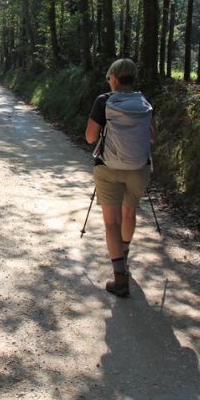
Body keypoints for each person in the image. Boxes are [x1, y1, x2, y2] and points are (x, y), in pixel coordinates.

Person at [84, 58, 155, 298]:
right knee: (129, 213)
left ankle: (120, 277)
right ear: (133, 78)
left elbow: (90, 138)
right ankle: (124, 255)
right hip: (139, 168)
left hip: (108, 168)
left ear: (113, 78)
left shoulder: (104, 101)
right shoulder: (144, 102)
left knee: (111, 222)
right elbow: (153, 136)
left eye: (108, 78)